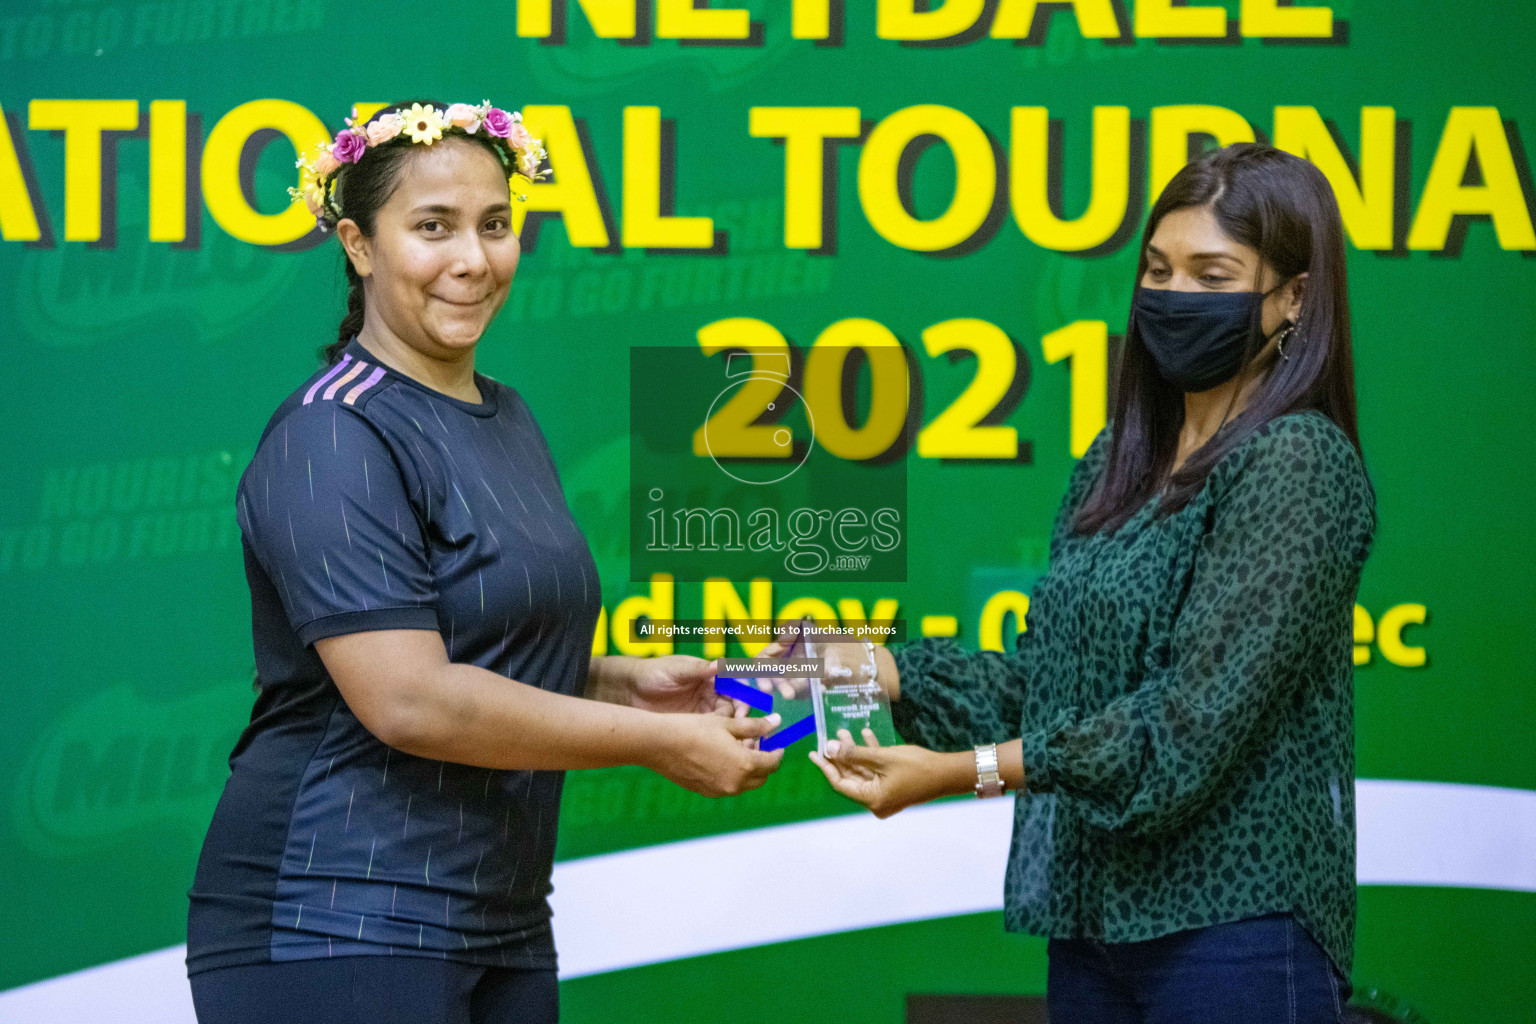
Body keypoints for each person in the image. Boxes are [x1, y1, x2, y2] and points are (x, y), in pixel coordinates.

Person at [186, 100, 782, 1024]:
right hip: (333, 919)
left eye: (495, 224)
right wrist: (661, 743)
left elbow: (475, 642)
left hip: (501, 924)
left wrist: (623, 687)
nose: (474, 258)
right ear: (357, 244)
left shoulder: (508, 413)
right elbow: (410, 696)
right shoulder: (330, 432)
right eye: (433, 227)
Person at [799, 143, 1376, 1023]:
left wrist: (961, 772)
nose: (1173, 296)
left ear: (1294, 296)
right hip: (1094, 928)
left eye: (1211, 273)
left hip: (1235, 934)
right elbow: (1051, 690)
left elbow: (1182, 728)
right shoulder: (1118, 460)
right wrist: (872, 667)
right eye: (1158, 269)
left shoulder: (1296, 462)